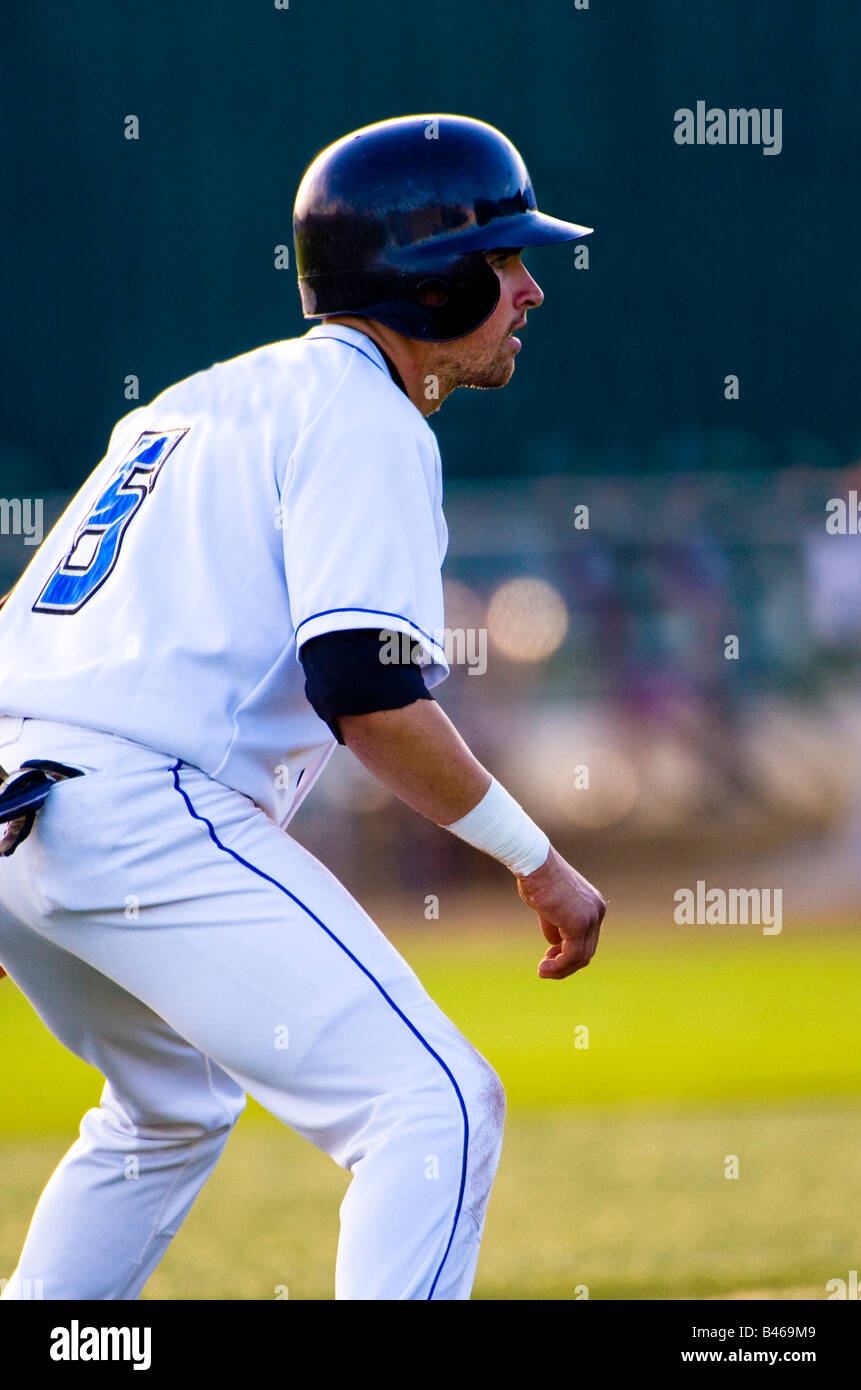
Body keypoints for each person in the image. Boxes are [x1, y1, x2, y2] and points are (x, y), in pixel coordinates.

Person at [0, 114, 606, 1301]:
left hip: (23, 807)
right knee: (434, 1103)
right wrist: (537, 863)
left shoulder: (190, 403)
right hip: (138, 805)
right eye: (504, 261)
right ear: (428, 281)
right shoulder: (362, 413)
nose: (531, 288)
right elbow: (367, 694)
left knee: (169, 1107)